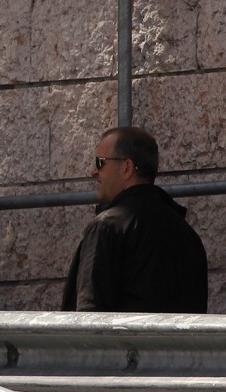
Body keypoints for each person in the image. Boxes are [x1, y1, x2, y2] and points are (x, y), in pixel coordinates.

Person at [61, 126, 208, 312]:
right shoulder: (187, 235)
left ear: (126, 168)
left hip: (122, 342)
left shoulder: (107, 227)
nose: (93, 171)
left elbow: (90, 318)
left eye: (100, 163)